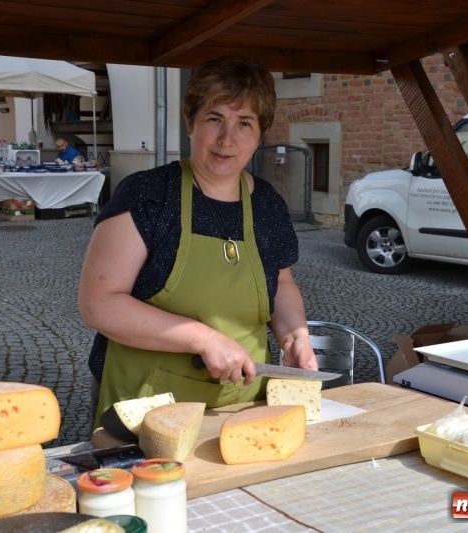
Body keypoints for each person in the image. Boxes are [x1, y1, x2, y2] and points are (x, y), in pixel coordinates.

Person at [78, 56, 317, 430]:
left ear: (260, 134)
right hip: (145, 406)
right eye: (214, 119)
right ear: (190, 122)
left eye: (244, 124)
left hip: (241, 406)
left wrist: (293, 337)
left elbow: (282, 284)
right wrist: (203, 339)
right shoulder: (148, 194)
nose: (227, 139)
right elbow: (99, 304)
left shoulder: (268, 204)